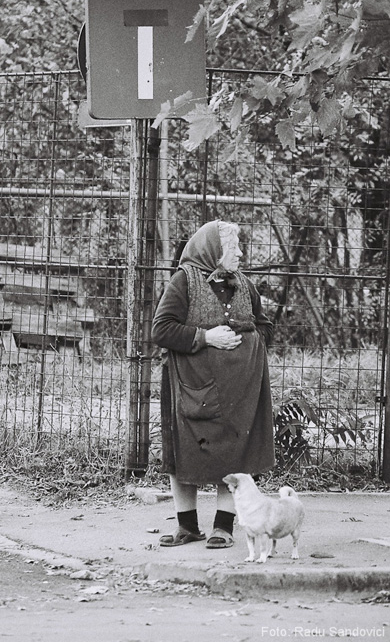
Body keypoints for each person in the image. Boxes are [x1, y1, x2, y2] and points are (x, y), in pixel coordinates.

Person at [152, 219, 275, 548]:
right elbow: (161, 329)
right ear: (213, 250)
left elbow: (264, 326)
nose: (241, 254)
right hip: (192, 388)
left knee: (235, 453)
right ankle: (187, 527)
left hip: (239, 392)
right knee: (184, 453)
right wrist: (206, 338)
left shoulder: (244, 285)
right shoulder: (183, 281)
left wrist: (248, 348)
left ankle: (223, 527)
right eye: (233, 248)